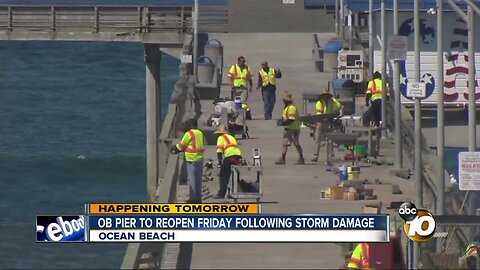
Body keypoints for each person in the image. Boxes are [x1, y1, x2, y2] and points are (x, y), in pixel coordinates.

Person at [170, 118, 205, 203]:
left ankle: (193, 199)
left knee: (192, 180)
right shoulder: (200, 133)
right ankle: (198, 198)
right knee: (198, 180)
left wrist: (174, 148)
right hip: (200, 158)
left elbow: (181, 146)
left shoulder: (189, 134)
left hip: (191, 159)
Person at [311, 89, 344, 162]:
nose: (325, 97)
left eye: (326, 95)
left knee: (330, 140)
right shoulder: (319, 103)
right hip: (320, 122)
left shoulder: (333, 102)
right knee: (317, 138)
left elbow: (341, 107)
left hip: (329, 122)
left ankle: (331, 156)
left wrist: (338, 116)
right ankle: (315, 156)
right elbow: (319, 114)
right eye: (323, 96)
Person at [213, 125, 243, 199]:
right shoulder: (231, 137)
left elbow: (219, 151)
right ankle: (234, 192)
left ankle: (221, 194)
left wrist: (220, 162)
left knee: (223, 176)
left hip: (229, 157)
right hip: (238, 156)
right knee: (234, 175)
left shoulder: (220, 138)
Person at [275, 91, 305, 165]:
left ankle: (301, 158)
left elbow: (291, 119)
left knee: (296, 143)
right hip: (289, 128)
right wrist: (282, 121)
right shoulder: (287, 107)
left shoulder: (291, 108)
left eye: (285, 100)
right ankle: (283, 158)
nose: (284, 101)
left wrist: (283, 123)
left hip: (293, 128)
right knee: (285, 144)